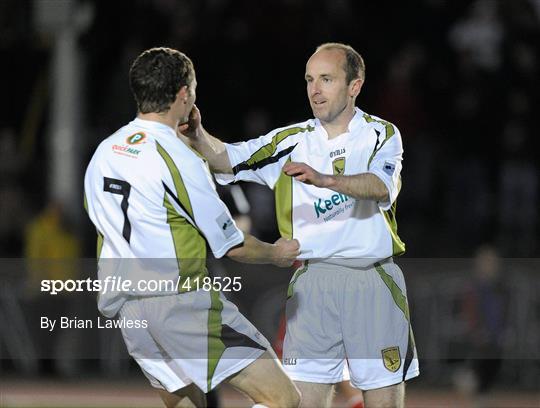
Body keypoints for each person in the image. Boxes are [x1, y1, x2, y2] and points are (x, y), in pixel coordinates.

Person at [183, 42, 419, 408]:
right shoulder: (291, 140)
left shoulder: (381, 134)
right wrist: (197, 135)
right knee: (299, 403)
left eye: (326, 79)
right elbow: (228, 159)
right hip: (312, 284)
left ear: (354, 86)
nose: (315, 89)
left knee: (383, 403)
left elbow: (380, 186)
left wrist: (325, 180)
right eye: (310, 79)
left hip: (371, 280)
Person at [84, 47, 301, 408]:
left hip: (128, 309)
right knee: (284, 399)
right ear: (184, 93)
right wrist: (276, 253)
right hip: (180, 303)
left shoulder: (104, 152)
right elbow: (232, 245)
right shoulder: (179, 157)